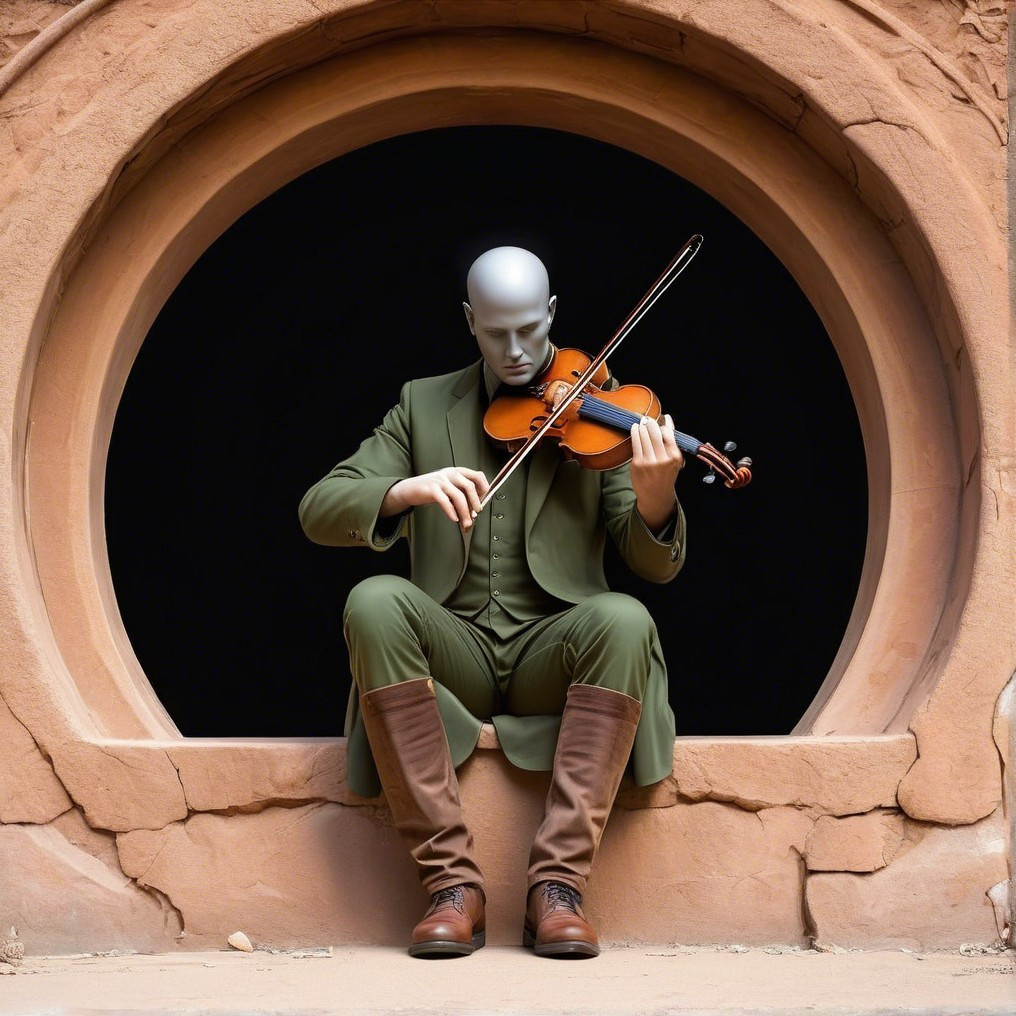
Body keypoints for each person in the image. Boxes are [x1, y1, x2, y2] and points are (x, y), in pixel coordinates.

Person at [299, 246, 686, 959]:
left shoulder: (599, 404)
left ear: (554, 317)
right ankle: (451, 885)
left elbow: (647, 562)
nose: (515, 350)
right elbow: (319, 508)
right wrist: (403, 491)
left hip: (553, 652)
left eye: (531, 331)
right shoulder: (422, 403)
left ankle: (558, 888)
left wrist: (656, 494)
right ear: (471, 322)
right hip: (456, 654)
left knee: (626, 618)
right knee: (375, 600)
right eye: (496, 332)